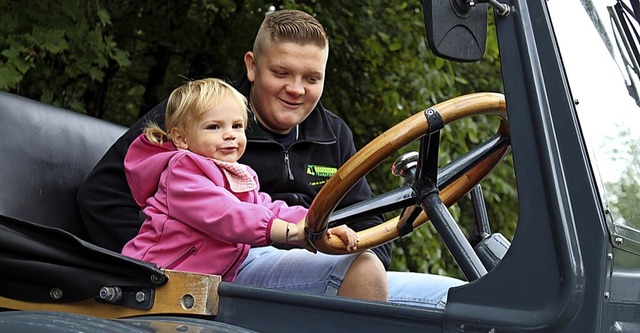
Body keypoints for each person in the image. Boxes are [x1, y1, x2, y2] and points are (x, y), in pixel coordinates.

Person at [77, 9, 464, 308]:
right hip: (222, 271)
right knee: (359, 270)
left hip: (317, 259)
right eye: (281, 73)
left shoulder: (333, 135)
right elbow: (102, 197)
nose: (296, 90)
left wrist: (347, 250)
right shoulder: (198, 119)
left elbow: (366, 219)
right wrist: (163, 275)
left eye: (311, 78)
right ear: (251, 65)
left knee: (457, 298)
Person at [122, 78, 366, 286]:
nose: (230, 134)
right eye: (214, 127)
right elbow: (227, 214)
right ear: (181, 137)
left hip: (205, 280)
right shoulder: (182, 172)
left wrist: (314, 222)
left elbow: (265, 206)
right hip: (156, 279)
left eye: (237, 126)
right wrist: (290, 233)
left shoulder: (236, 172)